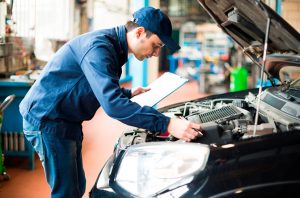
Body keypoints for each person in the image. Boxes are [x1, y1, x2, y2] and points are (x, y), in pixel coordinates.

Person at [19, 6, 203, 198]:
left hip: (66, 119)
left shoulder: (114, 48)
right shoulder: (99, 48)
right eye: (156, 45)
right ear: (139, 32)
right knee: (66, 192)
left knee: (76, 187)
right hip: (48, 119)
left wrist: (127, 93)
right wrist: (167, 123)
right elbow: (113, 106)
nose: (156, 53)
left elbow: (91, 83)